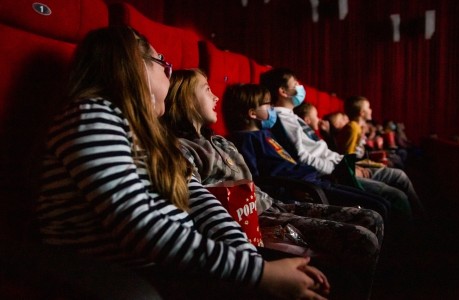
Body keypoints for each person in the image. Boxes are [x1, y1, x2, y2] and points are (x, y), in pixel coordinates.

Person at [35, 26, 332, 300]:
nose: (169, 72)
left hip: (176, 262)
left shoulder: (154, 135)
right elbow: (139, 226)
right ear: (136, 65)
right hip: (127, 276)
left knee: (311, 279)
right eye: (162, 63)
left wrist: (250, 259)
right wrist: (258, 274)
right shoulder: (93, 117)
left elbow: (200, 200)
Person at [161, 70, 384, 299]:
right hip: (256, 220)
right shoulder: (180, 149)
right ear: (186, 98)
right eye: (207, 90)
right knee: (363, 240)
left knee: (372, 218)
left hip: (273, 203)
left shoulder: (221, 141)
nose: (216, 97)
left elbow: (252, 181)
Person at [259, 67, 422, 224]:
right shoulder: (281, 119)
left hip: (340, 165)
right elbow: (302, 157)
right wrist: (342, 169)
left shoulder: (293, 117)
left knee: (398, 176)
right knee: (395, 195)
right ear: (283, 91)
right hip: (332, 174)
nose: (300, 88)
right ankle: (414, 237)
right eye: (295, 84)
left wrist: (346, 162)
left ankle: (421, 221)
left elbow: (321, 149)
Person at [337, 96, 424, 215]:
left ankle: (418, 213)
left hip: (356, 168)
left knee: (399, 172)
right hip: (352, 174)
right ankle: (420, 216)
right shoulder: (353, 127)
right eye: (368, 107)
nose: (371, 110)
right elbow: (346, 157)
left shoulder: (357, 127)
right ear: (362, 113)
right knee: (398, 178)